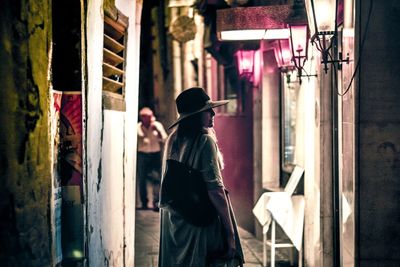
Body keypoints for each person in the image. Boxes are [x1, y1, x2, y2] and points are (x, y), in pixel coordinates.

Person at [158, 87, 244, 267]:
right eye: (207, 110)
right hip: (199, 222)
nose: (213, 113)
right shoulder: (205, 141)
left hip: (177, 220)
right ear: (196, 115)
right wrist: (230, 235)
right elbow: (215, 191)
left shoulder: (173, 139)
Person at [137, 107, 167, 211]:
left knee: (157, 178)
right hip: (142, 155)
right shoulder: (137, 128)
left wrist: (158, 131)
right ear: (142, 118)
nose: (150, 119)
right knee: (142, 179)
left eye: (151, 116)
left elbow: (165, 139)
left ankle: (156, 202)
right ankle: (144, 203)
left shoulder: (157, 125)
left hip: (155, 154)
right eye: (147, 117)